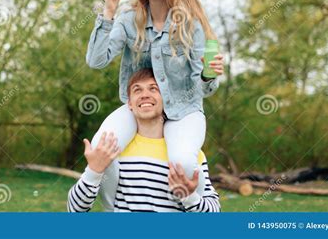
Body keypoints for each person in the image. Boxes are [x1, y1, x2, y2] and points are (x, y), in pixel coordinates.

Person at [86, 0, 224, 210]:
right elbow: (97, 60)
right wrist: (109, 11)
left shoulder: (190, 25)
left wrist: (209, 73)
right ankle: (116, 214)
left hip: (184, 111)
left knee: (183, 161)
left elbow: (206, 87)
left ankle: (202, 215)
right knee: (99, 150)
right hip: (139, 107)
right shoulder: (129, 19)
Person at [68, 68, 220, 212]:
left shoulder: (188, 151)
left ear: (166, 99)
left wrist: (189, 197)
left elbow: (215, 216)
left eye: (153, 88)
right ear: (129, 104)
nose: (145, 94)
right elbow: (75, 210)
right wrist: (93, 171)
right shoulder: (114, 150)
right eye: (137, 90)